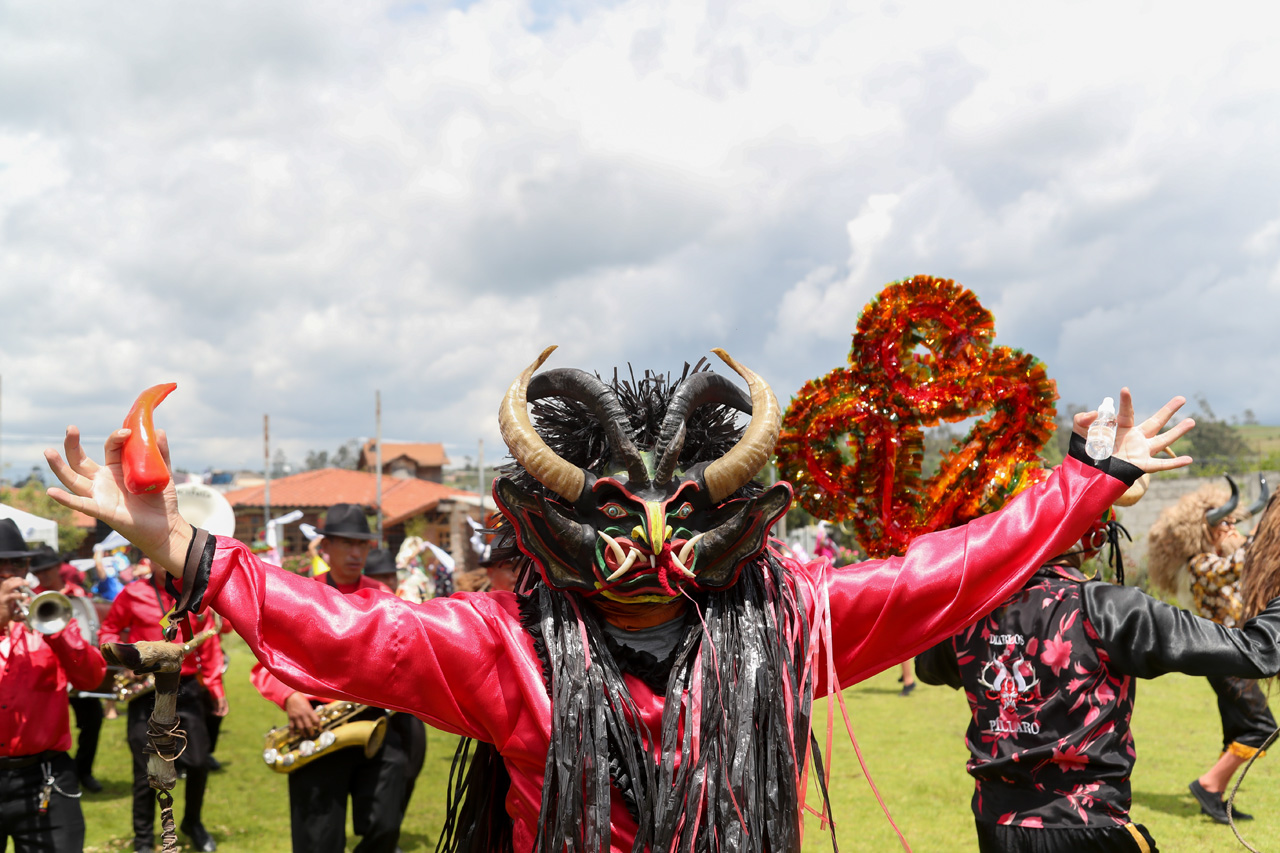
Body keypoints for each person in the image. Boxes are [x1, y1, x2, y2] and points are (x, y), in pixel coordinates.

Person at [44, 352, 1191, 850]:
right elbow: (350, 632)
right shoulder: (508, 649)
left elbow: (951, 570)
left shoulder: (785, 624)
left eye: (678, 515)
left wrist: (1092, 480)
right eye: (613, 515)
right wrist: (177, 542)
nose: (648, 545)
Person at [918, 487, 1280, 853]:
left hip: (997, 828)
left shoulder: (969, 615)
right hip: (1088, 826)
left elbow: (928, 668)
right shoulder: (1110, 608)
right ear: (1091, 536)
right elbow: (1258, 651)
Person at [249, 506, 412, 853]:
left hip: (374, 720)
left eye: (362, 545)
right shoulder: (301, 594)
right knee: (317, 840)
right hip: (316, 725)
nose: (356, 553)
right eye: (346, 544)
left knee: (385, 826)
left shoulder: (383, 595)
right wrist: (290, 697)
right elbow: (265, 659)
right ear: (326, 547)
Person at [1145, 478, 1275, 824]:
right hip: (1225, 656)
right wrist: (1267, 531)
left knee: (1238, 730)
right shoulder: (1199, 566)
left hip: (1227, 655)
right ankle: (1208, 784)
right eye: (1225, 523)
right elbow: (1238, 564)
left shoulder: (1210, 560)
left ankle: (1216, 796)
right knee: (1261, 727)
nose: (1232, 528)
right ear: (1203, 531)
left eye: (1234, 522)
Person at [98, 556, 227, 853]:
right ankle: (143, 841)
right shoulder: (131, 594)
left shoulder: (196, 595)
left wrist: (216, 687)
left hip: (188, 689)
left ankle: (192, 823)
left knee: (197, 763)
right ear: (149, 558)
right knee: (145, 772)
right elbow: (108, 633)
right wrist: (125, 659)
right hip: (147, 692)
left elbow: (208, 642)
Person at [0, 519, 107, 852]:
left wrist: (57, 630)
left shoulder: (49, 613)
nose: (9, 573)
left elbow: (91, 678)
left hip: (44, 775)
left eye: (18, 563)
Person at [29, 546, 106, 795]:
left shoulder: (78, 595)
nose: (44, 575)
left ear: (58, 567)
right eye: (39, 571)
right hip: (46, 673)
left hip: (76, 666)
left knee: (92, 721)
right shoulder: (32, 598)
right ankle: (51, 773)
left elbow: (90, 626)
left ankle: (84, 771)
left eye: (48, 569)